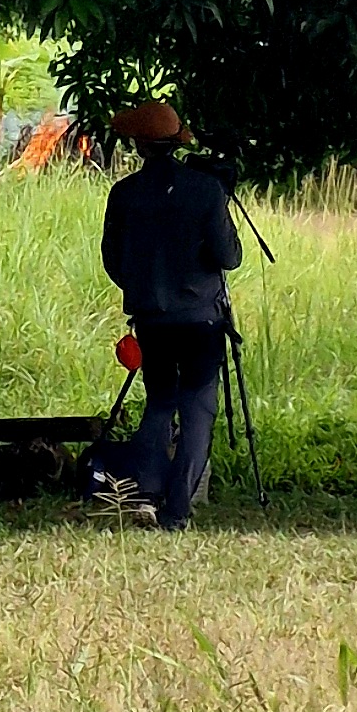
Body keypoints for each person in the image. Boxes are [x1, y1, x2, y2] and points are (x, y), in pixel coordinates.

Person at [89, 100, 242, 531]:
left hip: (151, 318)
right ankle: (176, 511)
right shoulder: (206, 190)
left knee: (159, 403)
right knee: (198, 410)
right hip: (201, 319)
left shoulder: (124, 194)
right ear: (176, 143)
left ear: (138, 145)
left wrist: (142, 289)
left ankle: (147, 492)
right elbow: (228, 257)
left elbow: (112, 259)